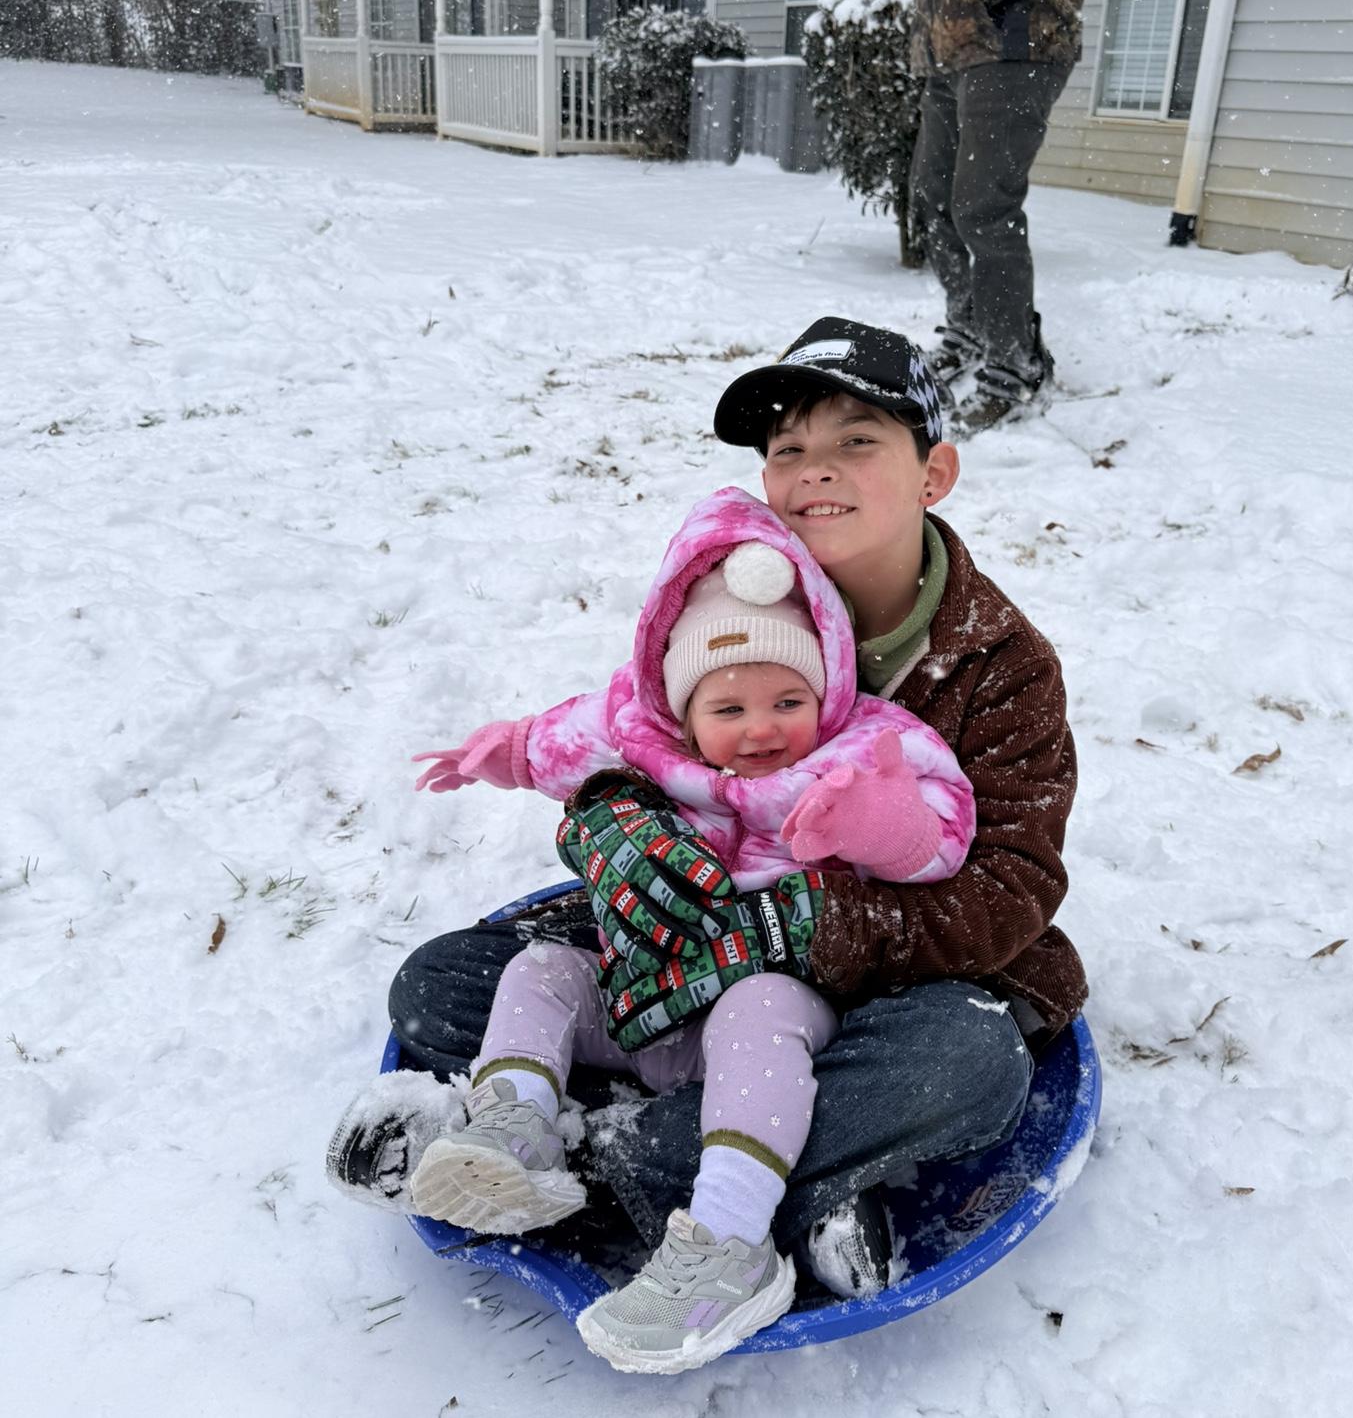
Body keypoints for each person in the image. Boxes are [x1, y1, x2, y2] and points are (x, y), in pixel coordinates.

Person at [327, 316, 1085, 1357]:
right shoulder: (727, 593)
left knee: (970, 1064)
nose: (815, 471)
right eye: (787, 451)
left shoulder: (997, 663)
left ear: (934, 472)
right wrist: (616, 830)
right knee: (444, 983)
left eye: (857, 440)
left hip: (875, 986)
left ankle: (626, 1159)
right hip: (679, 957)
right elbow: (627, 740)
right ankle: (657, 1156)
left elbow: (1007, 891)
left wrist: (791, 924)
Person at [382, 492, 975, 1371]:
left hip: (781, 1003)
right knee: (542, 969)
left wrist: (878, 823)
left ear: (828, 685)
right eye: (729, 710)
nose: (763, 729)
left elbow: (942, 832)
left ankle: (732, 1242)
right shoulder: (642, 731)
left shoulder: (858, 750)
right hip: (647, 994)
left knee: (758, 1006)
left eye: (788, 699)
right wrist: (504, 753)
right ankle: (517, 1129)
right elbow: (564, 739)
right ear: (680, 706)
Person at [908, 0, 1085, 427]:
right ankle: (968, 328)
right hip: (951, 52)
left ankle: (1013, 365)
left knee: (984, 210)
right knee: (930, 196)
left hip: (1014, 41)